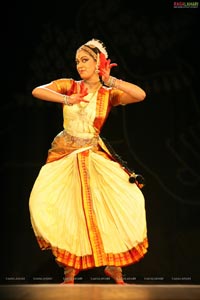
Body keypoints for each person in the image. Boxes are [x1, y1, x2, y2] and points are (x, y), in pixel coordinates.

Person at [29, 38, 148, 285]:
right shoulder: (69, 86)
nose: (79, 65)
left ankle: (114, 266)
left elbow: (140, 95)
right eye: (77, 61)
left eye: (85, 60)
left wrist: (111, 80)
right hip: (65, 154)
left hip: (94, 154)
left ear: (98, 63)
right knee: (61, 207)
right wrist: (66, 100)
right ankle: (69, 270)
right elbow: (37, 91)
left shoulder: (108, 94)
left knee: (118, 202)